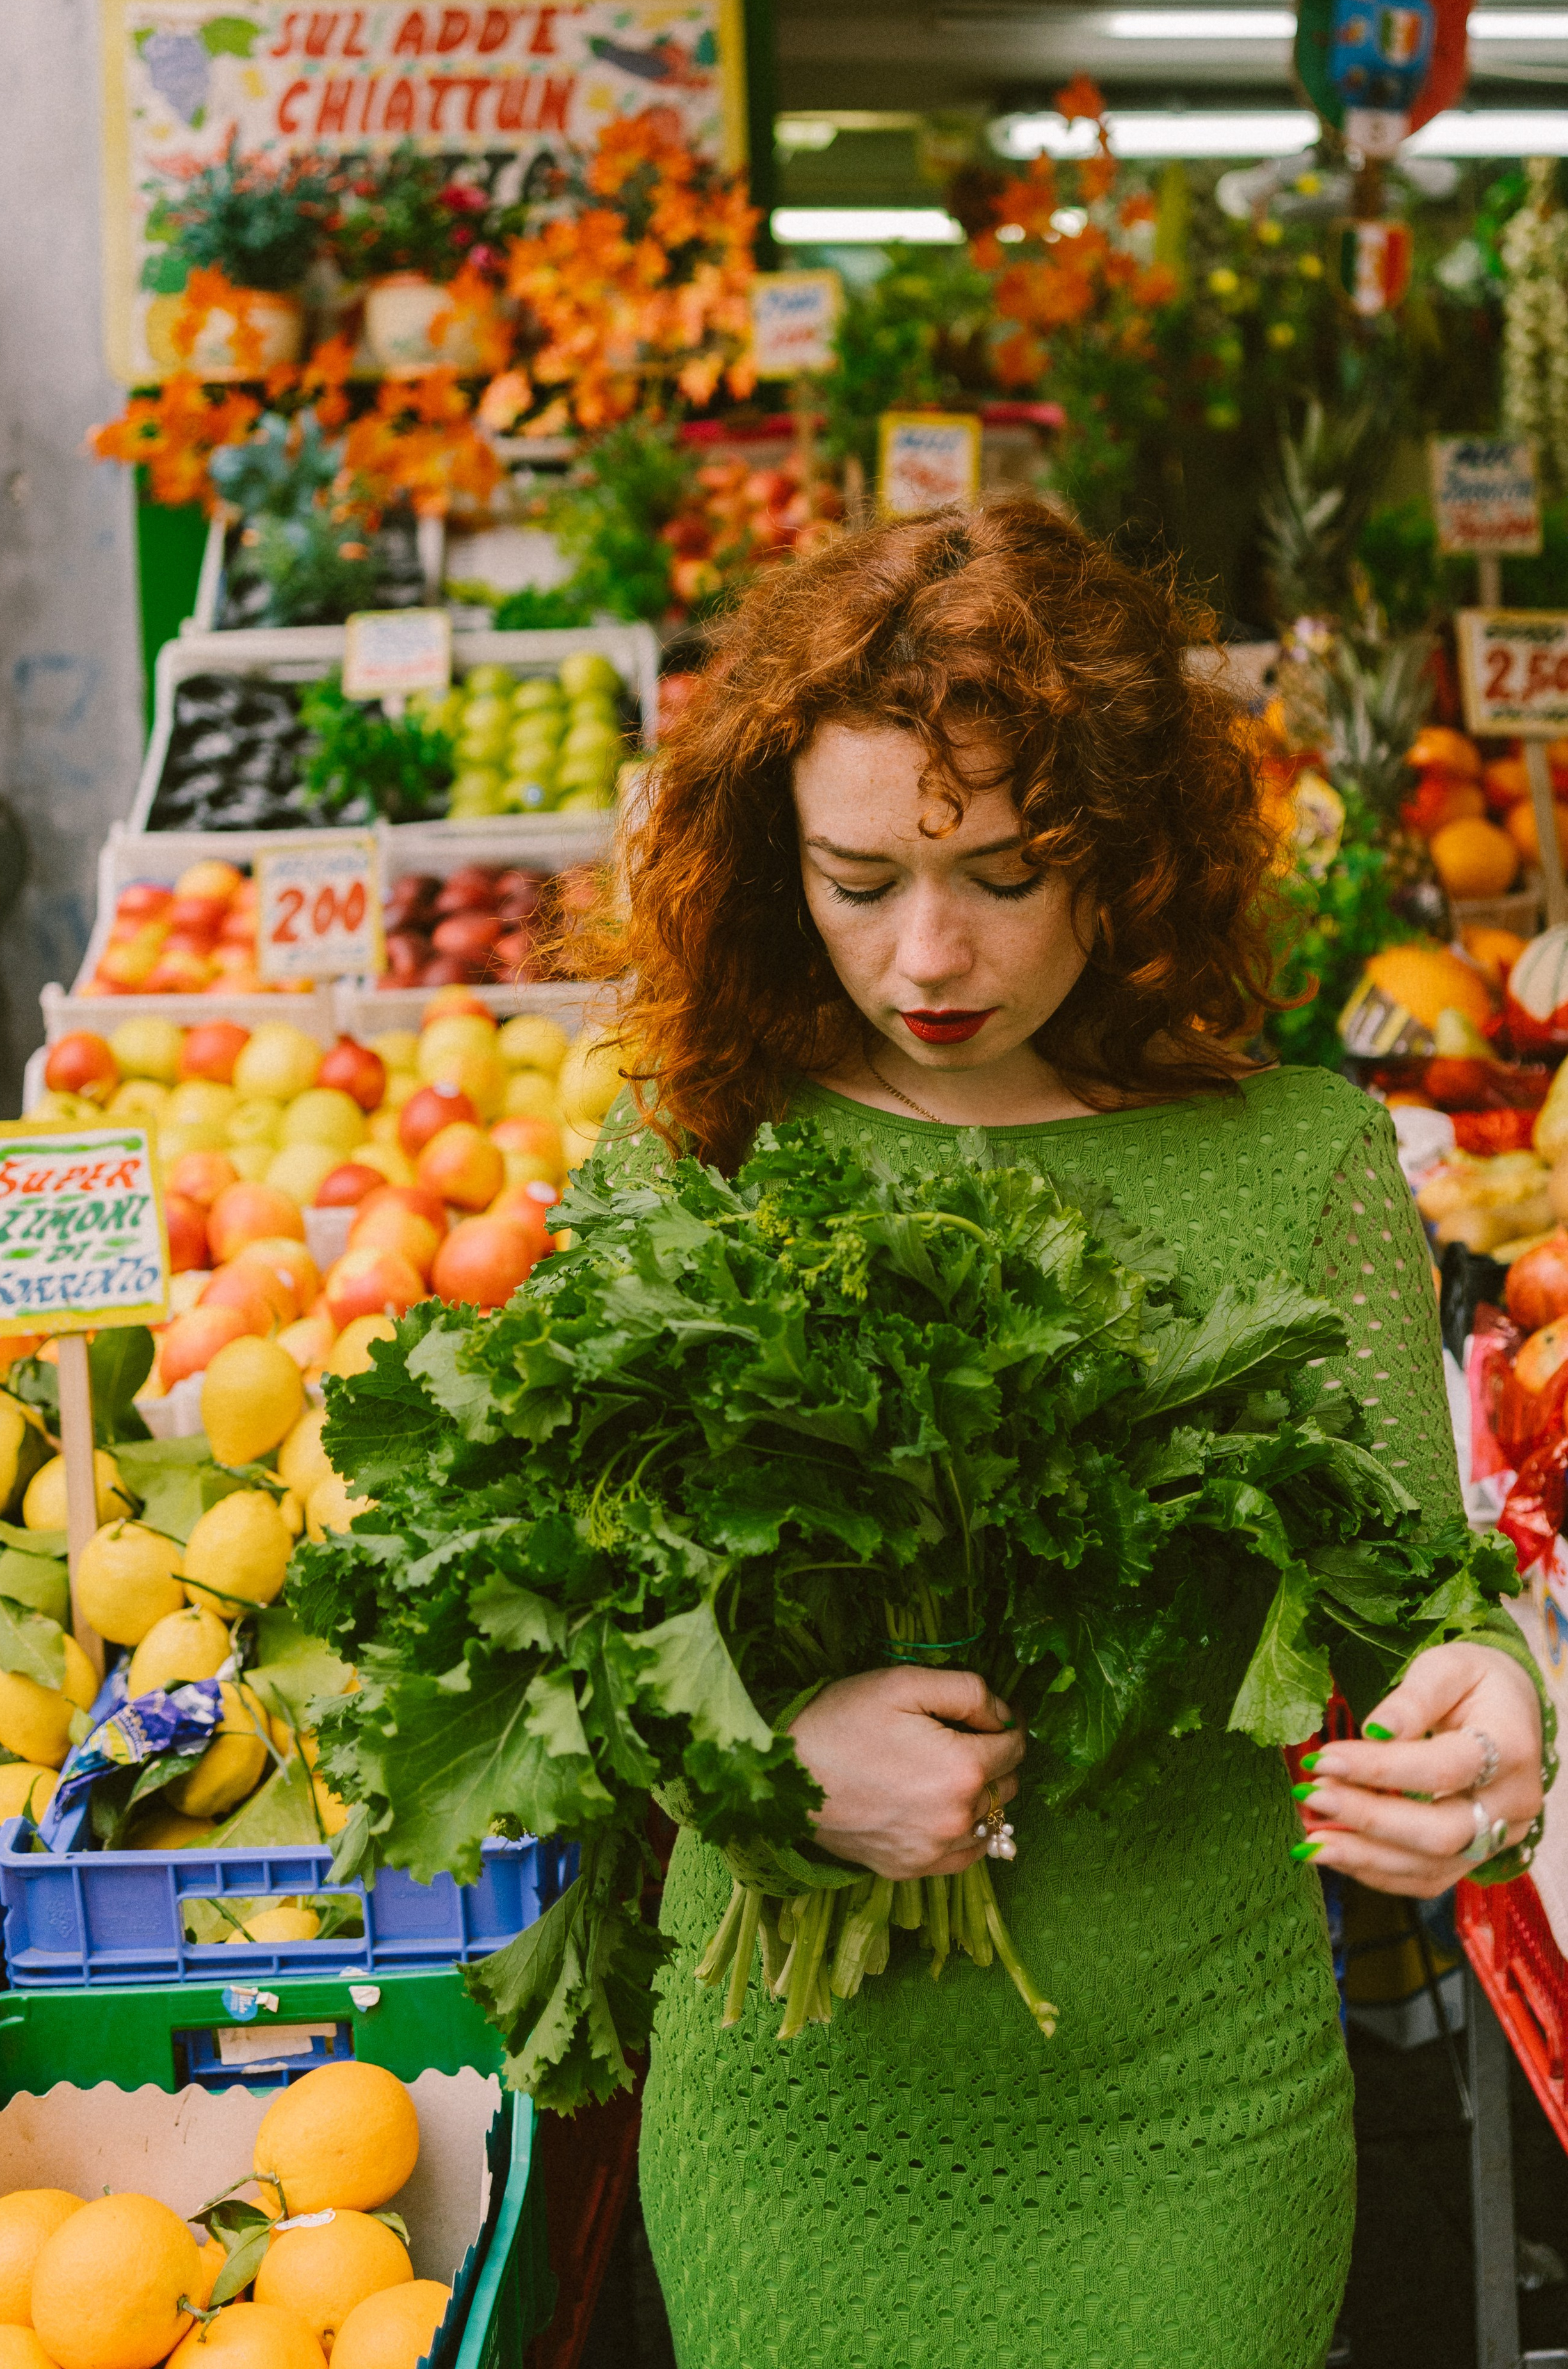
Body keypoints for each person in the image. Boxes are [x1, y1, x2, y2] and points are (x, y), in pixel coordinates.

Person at [587, 499, 1548, 2369]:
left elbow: (1425, 1601)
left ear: (1125, 851)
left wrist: (1495, 1723)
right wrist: (764, 1763)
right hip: (794, 2125)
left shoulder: (1302, 1164)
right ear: (772, 860)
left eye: (1006, 874)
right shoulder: (701, 1147)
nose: (927, 952)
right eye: (858, 883)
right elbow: (574, 1625)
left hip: (1191, 2123)